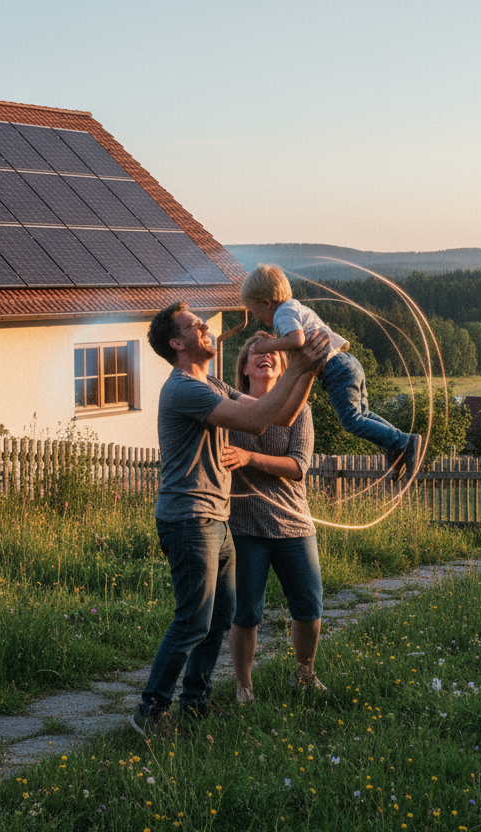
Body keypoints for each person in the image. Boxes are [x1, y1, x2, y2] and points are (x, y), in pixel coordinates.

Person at [131, 301, 328, 736]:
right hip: (188, 518)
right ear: (177, 344)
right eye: (193, 325)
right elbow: (257, 422)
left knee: (221, 617)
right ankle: (150, 710)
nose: (205, 326)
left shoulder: (213, 382)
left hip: (216, 518)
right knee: (194, 619)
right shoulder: (185, 388)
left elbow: (282, 413)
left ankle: (196, 701)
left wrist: (306, 368)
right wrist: (299, 362)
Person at [239, 264, 422, 479]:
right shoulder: (295, 307)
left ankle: (404, 442)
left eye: (255, 312)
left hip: (335, 369)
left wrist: (265, 346)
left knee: (351, 421)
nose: (257, 318)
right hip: (346, 362)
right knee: (363, 414)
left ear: (266, 303)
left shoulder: (282, 315)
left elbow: (297, 340)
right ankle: (398, 445)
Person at [223, 334, 325, 703]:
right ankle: (244, 685)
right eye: (256, 354)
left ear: (284, 367)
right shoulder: (230, 409)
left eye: (273, 354)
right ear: (245, 367)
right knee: (246, 612)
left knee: (309, 606)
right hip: (244, 525)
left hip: (293, 523)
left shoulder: (301, 412)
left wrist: (250, 459)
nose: (265, 357)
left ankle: (305, 674)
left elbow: (299, 466)